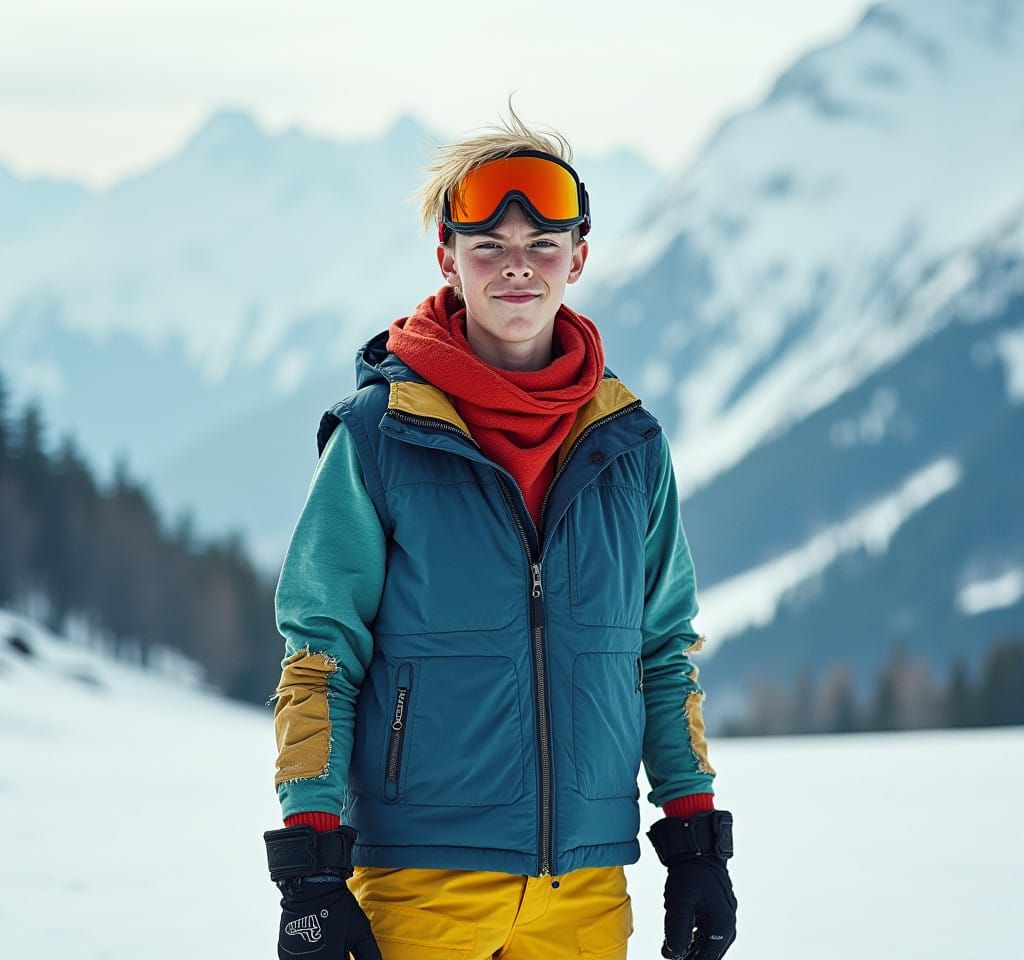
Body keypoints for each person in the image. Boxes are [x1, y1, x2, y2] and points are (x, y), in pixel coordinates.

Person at [262, 107, 738, 960]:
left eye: (542, 242)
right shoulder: (381, 438)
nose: (517, 265)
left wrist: (695, 838)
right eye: (488, 244)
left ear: (579, 258)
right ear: (448, 259)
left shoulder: (630, 448)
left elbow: (662, 653)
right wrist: (311, 869)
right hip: (419, 885)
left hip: (584, 890)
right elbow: (319, 655)